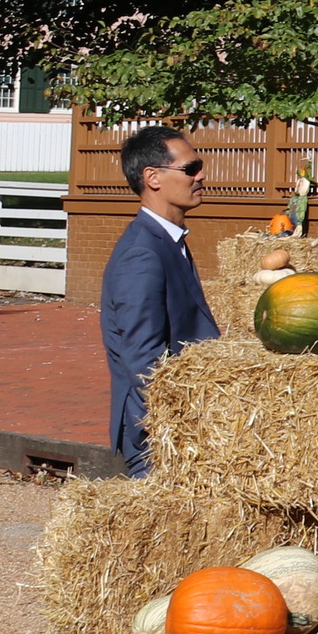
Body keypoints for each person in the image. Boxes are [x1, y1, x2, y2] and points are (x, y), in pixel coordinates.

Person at [101, 123, 218, 475]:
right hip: (158, 438)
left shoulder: (167, 241)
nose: (201, 176)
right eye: (190, 168)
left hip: (181, 431)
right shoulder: (143, 253)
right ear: (152, 177)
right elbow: (145, 361)